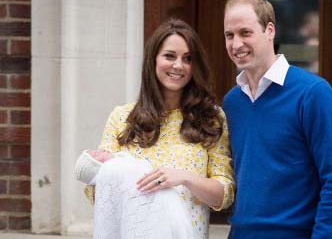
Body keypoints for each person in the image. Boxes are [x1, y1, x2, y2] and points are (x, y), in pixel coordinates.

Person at [74, 19, 235, 239]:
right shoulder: (122, 118)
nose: (178, 65)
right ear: (153, 60)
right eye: (170, 56)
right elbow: (98, 193)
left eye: (187, 59)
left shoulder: (211, 119)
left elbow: (224, 195)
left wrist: (184, 178)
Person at [222, 0, 332, 239]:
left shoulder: (314, 94)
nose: (236, 44)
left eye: (245, 33)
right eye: (229, 35)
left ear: (269, 30)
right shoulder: (232, 103)